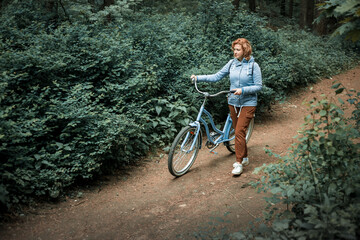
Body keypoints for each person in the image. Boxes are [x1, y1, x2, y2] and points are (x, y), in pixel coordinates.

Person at [191, 38, 262, 176]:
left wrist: (243, 90)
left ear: (245, 50)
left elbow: (258, 86)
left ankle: (239, 163)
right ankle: (245, 157)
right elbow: (216, 76)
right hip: (233, 102)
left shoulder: (254, 66)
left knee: (240, 131)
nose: (235, 52)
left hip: (248, 103)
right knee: (238, 131)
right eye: (234, 49)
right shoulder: (231, 64)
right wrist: (198, 78)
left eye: (238, 50)